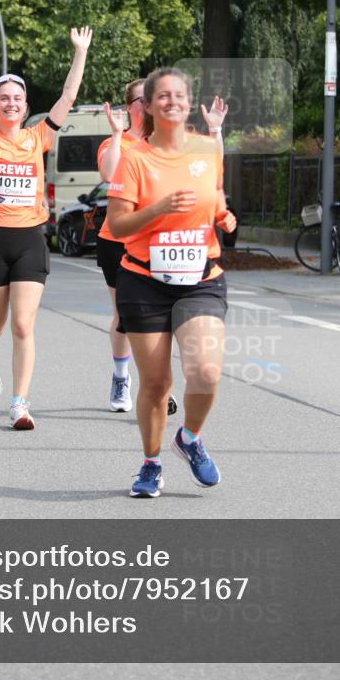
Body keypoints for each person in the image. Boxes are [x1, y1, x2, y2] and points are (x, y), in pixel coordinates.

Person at [0, 21, 92, 430]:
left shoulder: (38, 137)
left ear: (25, 106)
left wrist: (79, 52)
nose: (10, 103)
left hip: (29, 239)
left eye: (17, 98)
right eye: (4, 98)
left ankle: (20, 403)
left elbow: (69, 96)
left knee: (24, 324)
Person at [106, 68, 236, 498]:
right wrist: (159, 208)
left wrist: (222, 215)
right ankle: (151, 462)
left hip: (201, 277)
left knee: (206, 372)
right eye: (163, 95)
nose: (173, 102)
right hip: (144, 280)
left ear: (187, 100)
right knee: (158, 384)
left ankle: (191, 438)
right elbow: (118, 225)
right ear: (147, 104)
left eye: (179, 95)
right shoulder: (135, 157)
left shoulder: (206, 149)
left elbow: (214, 198)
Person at [98, 85, 227, 413]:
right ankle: (122, 375)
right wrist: (115, 134)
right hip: (122, 244)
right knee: (124, 318)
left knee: (171, 318)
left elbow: (211, 166)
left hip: (170, 243)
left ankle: (158, 384)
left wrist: (215, 129)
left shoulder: (177, 142)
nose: (151, 104)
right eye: (142, 99)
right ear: (131, 107)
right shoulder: (122, 143)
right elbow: (109, 172)